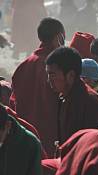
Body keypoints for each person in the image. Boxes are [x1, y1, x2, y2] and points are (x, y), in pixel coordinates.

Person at [10, 17, 65, 156]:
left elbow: (13, 101)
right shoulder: (58, 68)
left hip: (25, 136)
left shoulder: (24, 65)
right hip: (52, 136)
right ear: (58, 37)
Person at [45, 46, 98, 150]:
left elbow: (95, 146)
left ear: (71, 75)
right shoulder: (63, 97)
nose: (49, 80)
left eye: (53, 75)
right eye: (48, 74)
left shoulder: (90, 102)